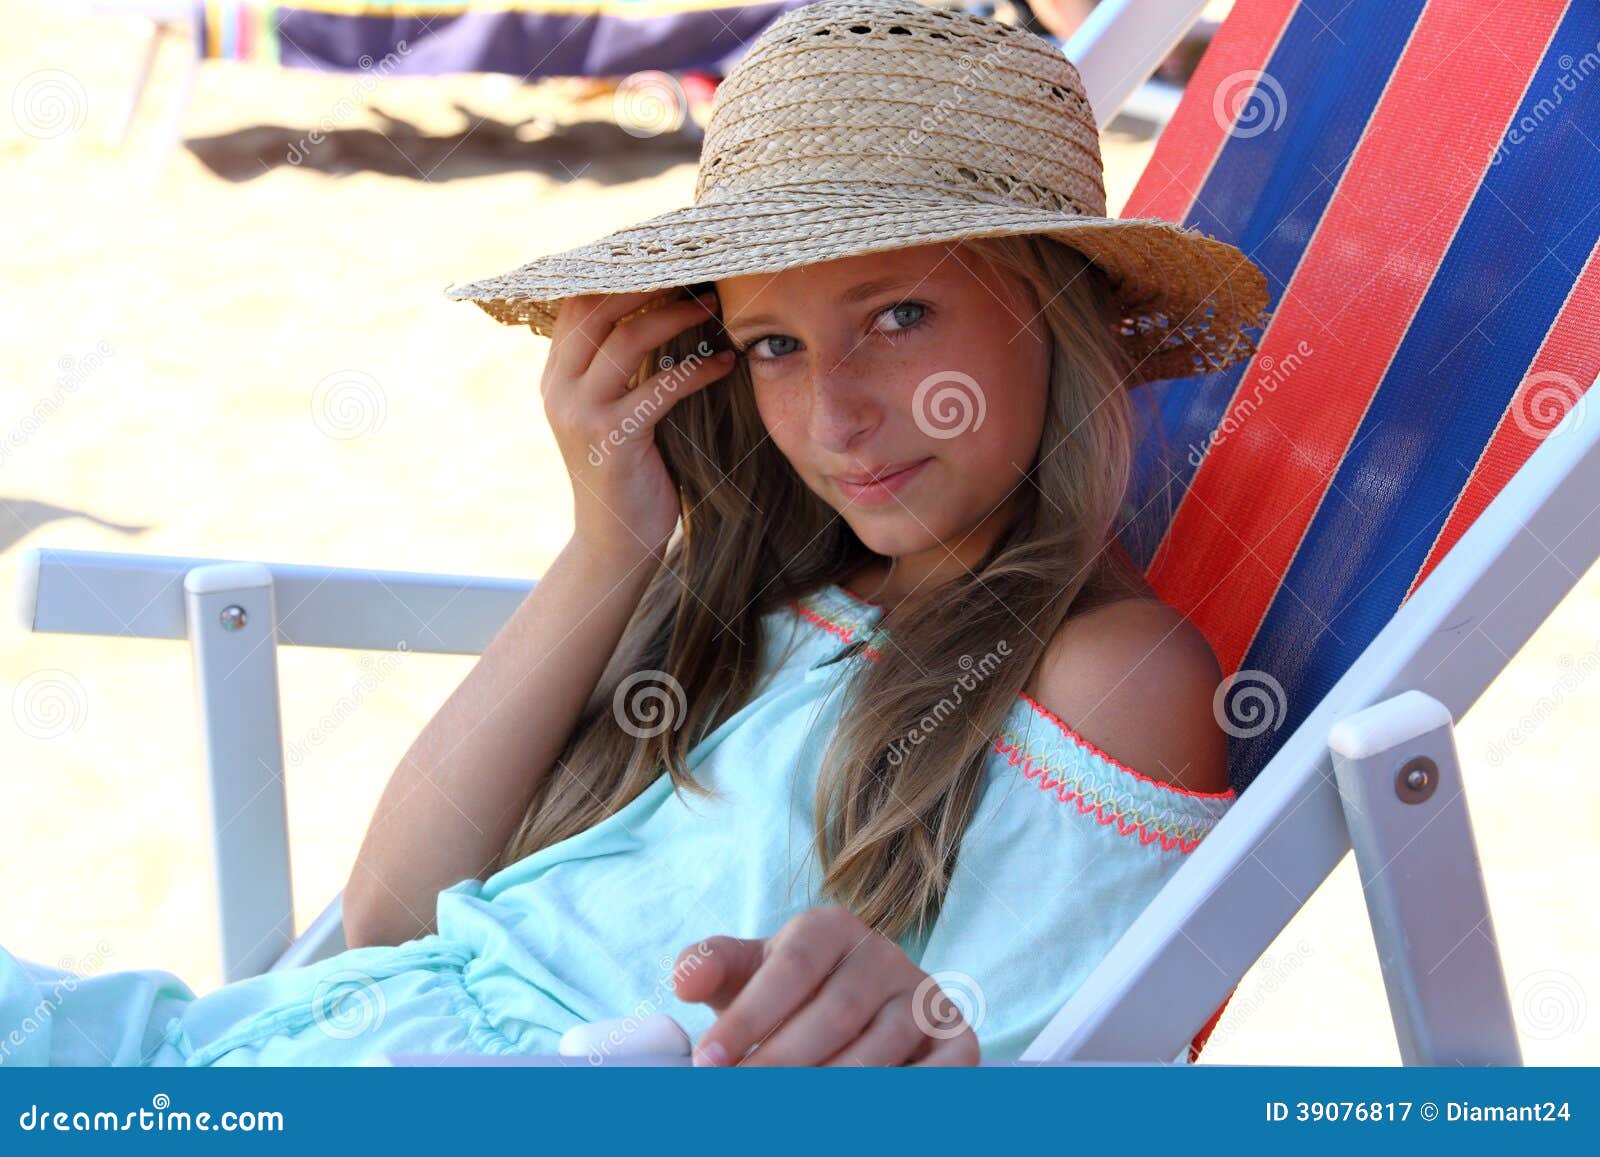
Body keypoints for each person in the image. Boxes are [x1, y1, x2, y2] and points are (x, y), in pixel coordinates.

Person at [1, 0, 1268, 1068]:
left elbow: (1007, 1064)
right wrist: (606, 549)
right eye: (773, 342)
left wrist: (911, 1036)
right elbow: (387, 917)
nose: (833, 414)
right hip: (225, 1042)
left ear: (1059, 308)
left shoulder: (1101, 677)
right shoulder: (759, 601)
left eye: (895, 315)